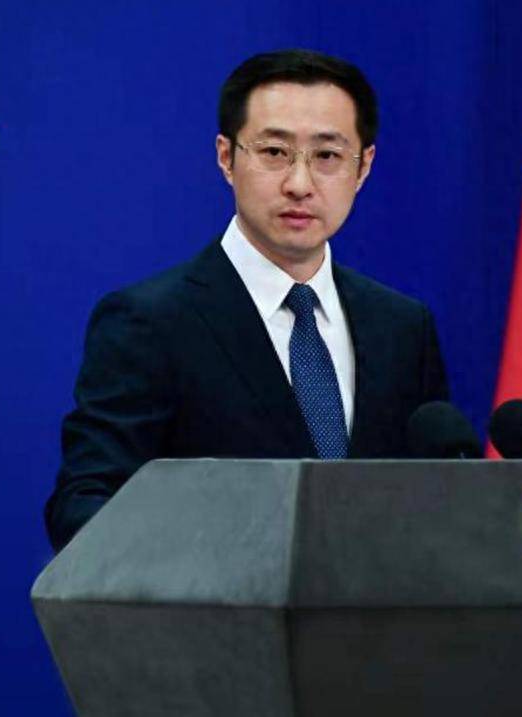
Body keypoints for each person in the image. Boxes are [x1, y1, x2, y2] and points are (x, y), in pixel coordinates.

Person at [44, 49, 449, 550]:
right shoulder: (150, 323)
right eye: (274, 152)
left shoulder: (402, 328)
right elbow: (85, 505)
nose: (299, 184)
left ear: (363, 167)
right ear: (226, 158)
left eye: (327, 156)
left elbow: (438, 501)